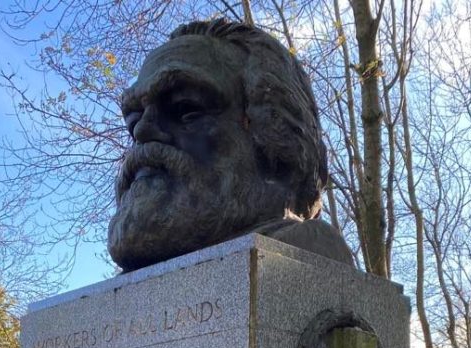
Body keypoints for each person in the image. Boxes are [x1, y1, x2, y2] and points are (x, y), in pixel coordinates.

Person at [107, 19, 353, 271]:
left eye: (185, 109)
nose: (141, 131)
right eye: (133, 120)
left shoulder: (304, 258)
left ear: (276, 143)